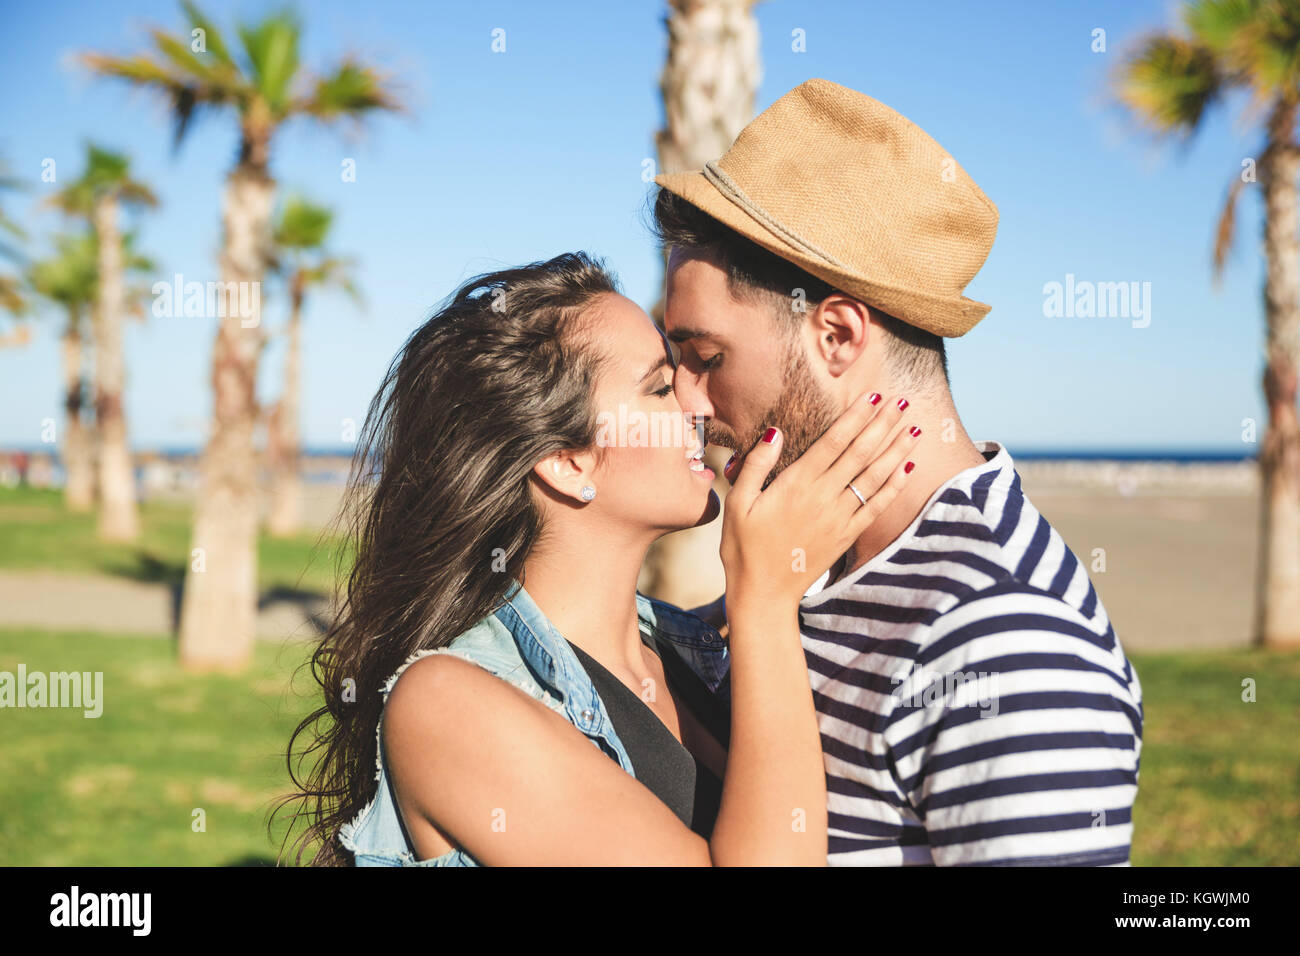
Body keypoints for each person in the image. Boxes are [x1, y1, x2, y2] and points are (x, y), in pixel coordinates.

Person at [277, 250, 923, 865]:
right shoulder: (445, 706)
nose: (699, 403)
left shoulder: (687, 647)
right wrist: (764, 602)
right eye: (660, 387)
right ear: (567, 461)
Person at [651, 78, 1144, 866]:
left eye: (706, 358)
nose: (684, 398)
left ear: (839, 334)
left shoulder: (1005, 642)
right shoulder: (803, 562)